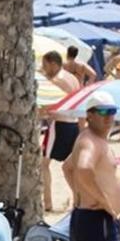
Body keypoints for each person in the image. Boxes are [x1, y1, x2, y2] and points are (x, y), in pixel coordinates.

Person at [61, 91, 120, 241]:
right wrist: (103, 201)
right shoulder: (91, 142)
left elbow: (67, 167)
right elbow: (83, 168)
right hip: (98, 218)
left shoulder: (87, 139)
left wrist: (79, 194)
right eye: (103, 112)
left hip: (87, 215)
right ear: (90, 115)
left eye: (112, 112)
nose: (109, 117)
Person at [40, 51, 81, 212]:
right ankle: (77, 199)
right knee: (73, 166)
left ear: (52, 63)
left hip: (59, 124)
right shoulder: (72, 78)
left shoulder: (55, 81)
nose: (44, 69)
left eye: (45, 65)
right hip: (74, 124)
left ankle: (48, 203)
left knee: (43, 164)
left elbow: (49, 107)